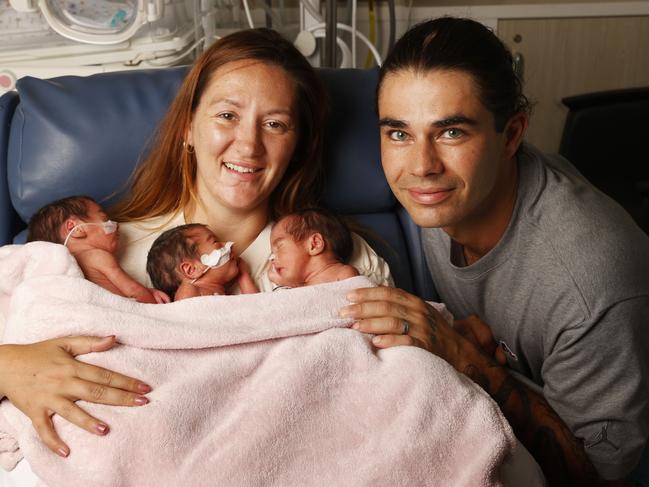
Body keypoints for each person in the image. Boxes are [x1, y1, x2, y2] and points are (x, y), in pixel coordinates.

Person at [0, 28, 391, 459]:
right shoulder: (96, 248)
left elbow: (385, 387)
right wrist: (8, 367)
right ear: (188, 127)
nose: (248, 144)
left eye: (275, 124)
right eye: (227, 115)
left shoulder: (334, 255)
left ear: (296, 148)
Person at [341, 17, 649, 486]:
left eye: (451, 133)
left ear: (511, 135)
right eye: (399, 133)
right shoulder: (447, 195)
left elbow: (597, 476)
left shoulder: (587, 284)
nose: (421, 167)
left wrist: (457, 352)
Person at [26, 196, 169, 304]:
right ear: (76, 228)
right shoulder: (98, 256)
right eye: (105, 218)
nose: (116, 225)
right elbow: (133, 291)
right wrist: (155, 306)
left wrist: (147, 292)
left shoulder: (57, 266)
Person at [146, 223, 258, 300]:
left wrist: (243, 276)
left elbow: (257, 306)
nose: (228, 244)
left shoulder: (223, 294)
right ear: (191, 269)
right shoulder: (188, 293)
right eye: (216, 242)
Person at [268, 208, 359, 288]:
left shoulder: (344, 274)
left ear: (315, 244)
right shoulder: (297, 290)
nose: (271, 258)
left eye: (279, 247)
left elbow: (358, 300)